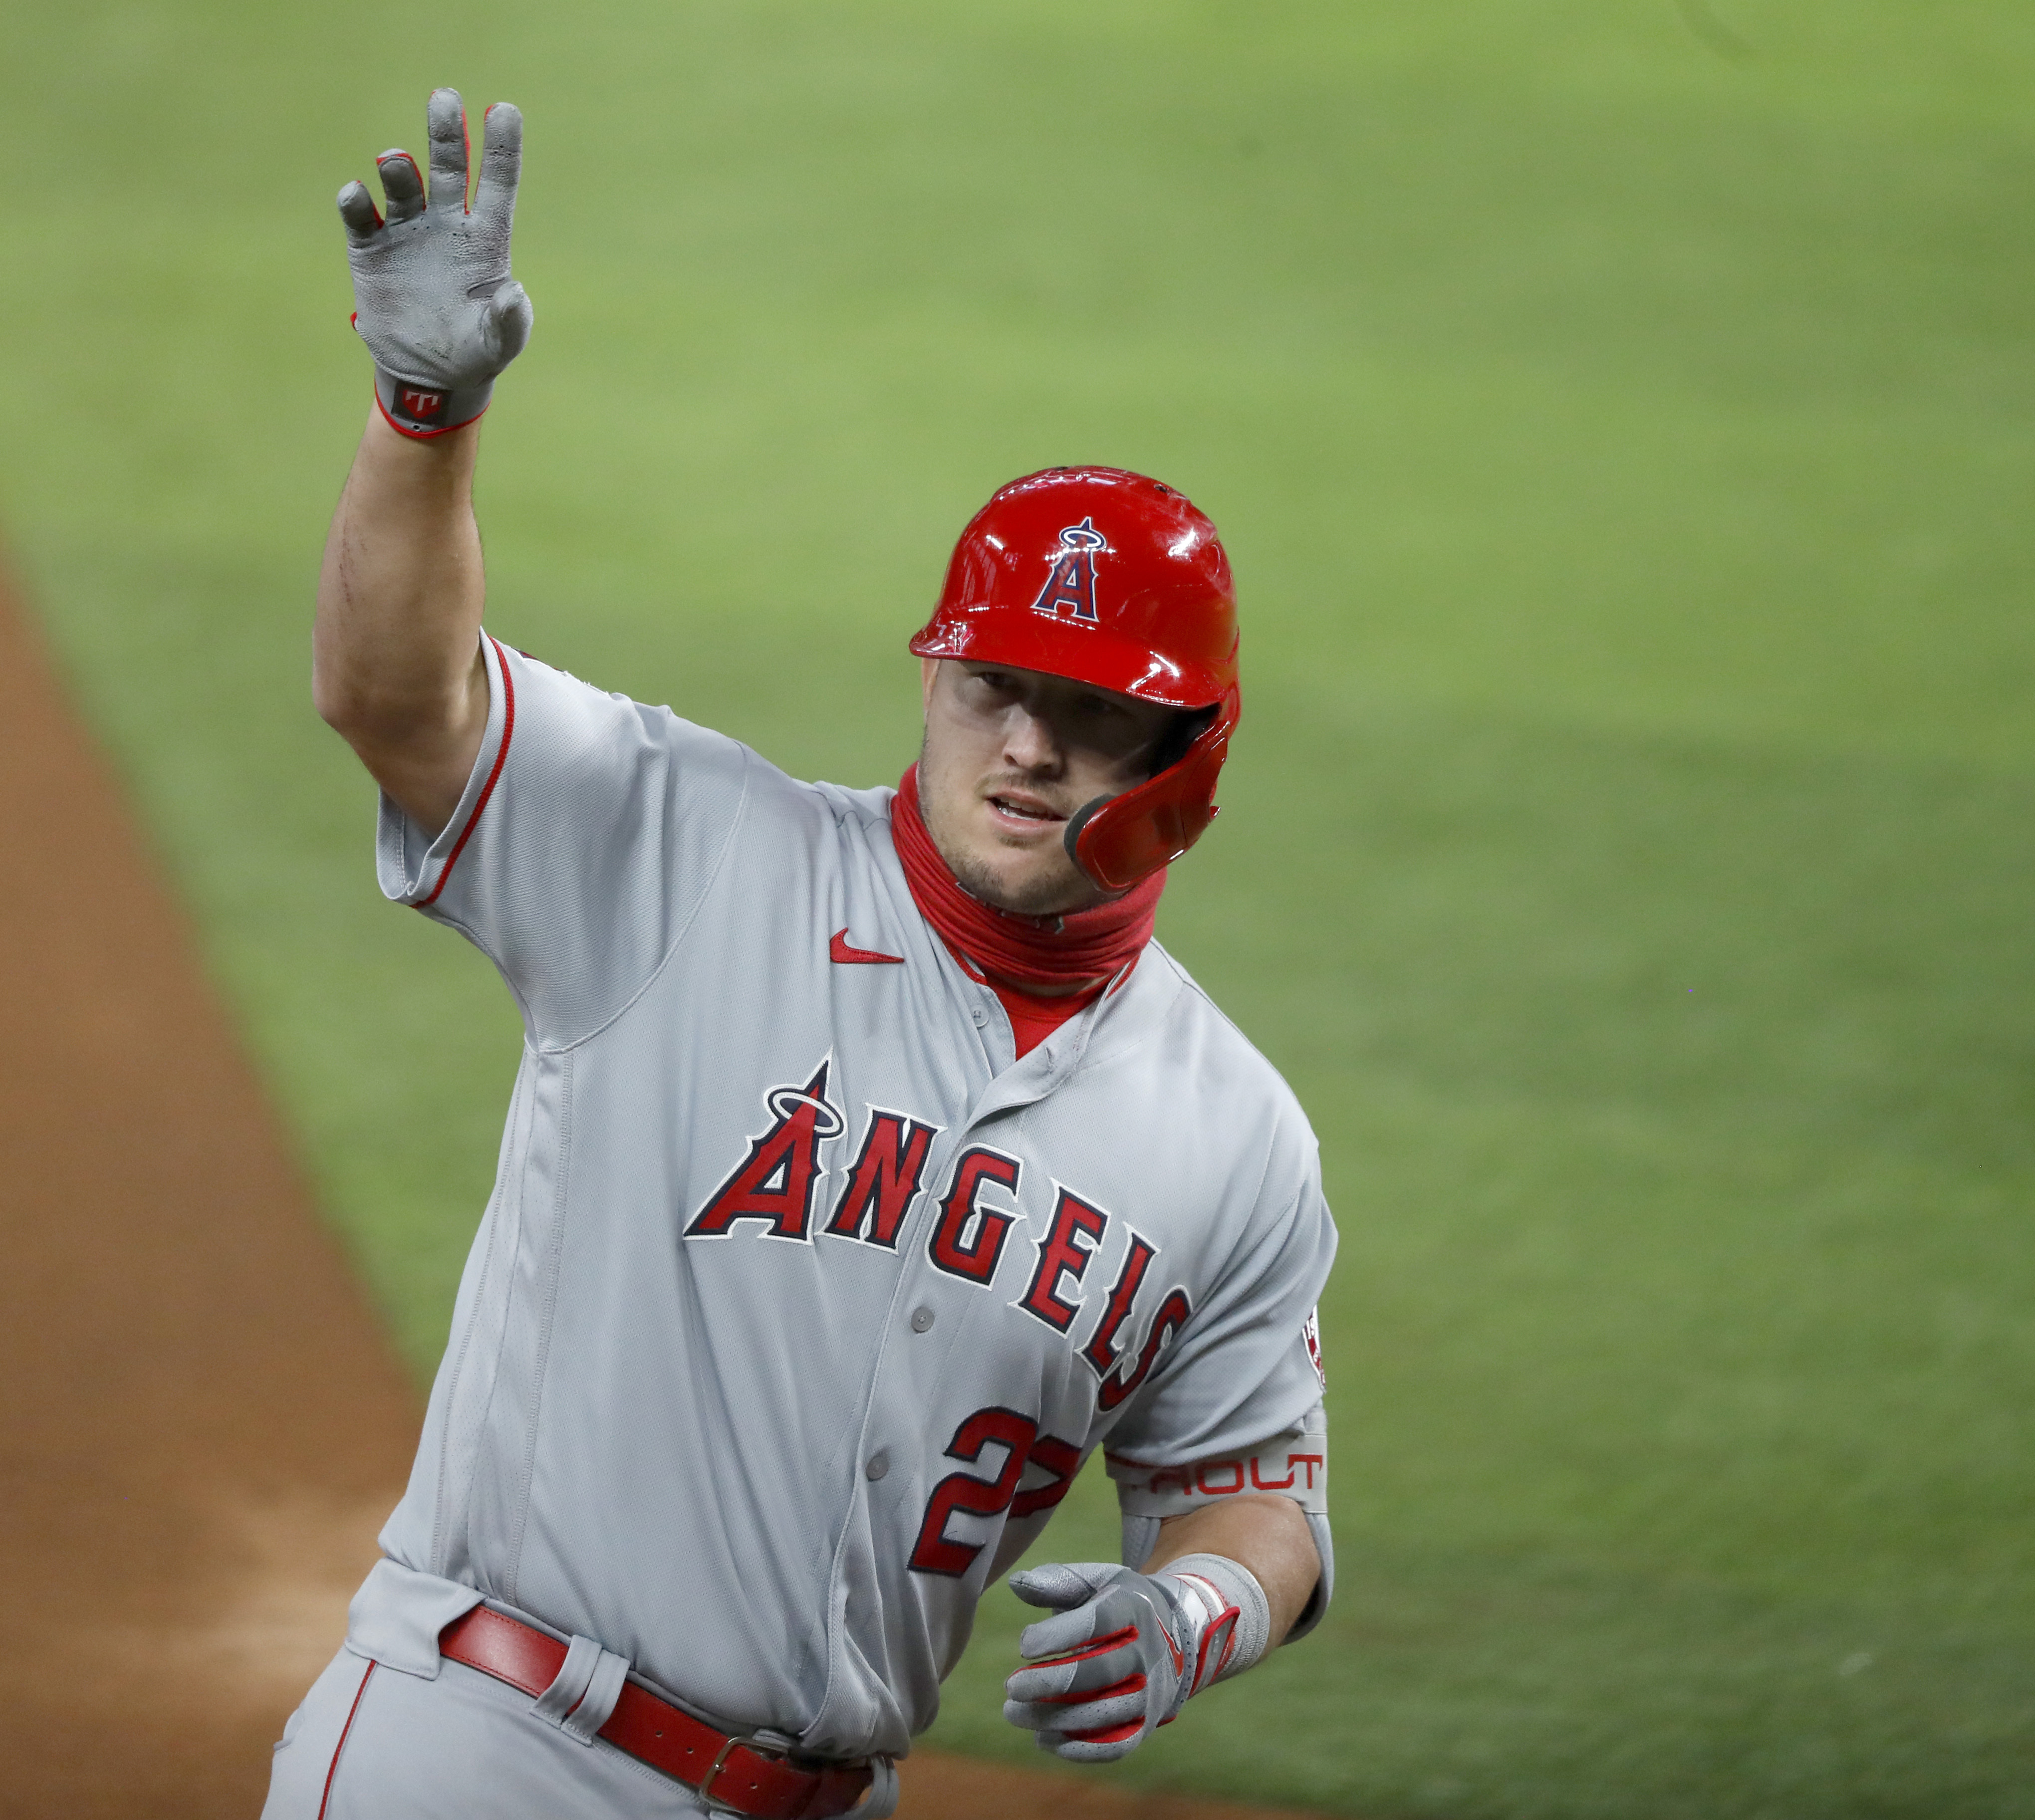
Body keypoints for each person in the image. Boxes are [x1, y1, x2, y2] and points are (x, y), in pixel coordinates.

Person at [262, 88, 1337, 1820]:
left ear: (1186, 761)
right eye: (995, 687)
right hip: (490, 1753)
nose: (1025, 750)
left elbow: (1254, 1489)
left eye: (1089, 719)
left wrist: (1198, 1606)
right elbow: (395, 698)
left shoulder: (1236, 1141)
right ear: (937, 677)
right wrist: (423, 415)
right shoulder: (682, 848)